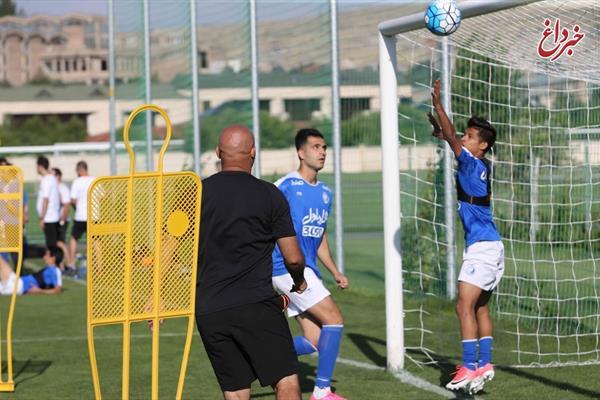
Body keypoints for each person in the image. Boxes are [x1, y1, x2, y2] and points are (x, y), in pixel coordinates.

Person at [196, 124, 307, 400]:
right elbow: (292, 257)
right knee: (287, 382)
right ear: (254, 152)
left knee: (235, 391)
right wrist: (299, 280)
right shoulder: (270, 195)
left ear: (218, 153)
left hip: (210, 310)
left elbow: (168, 249)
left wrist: (156, 300)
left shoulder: (195, 194)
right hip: (256, 304)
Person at [429, 79, 503, 394]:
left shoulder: (471, 161)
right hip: (492, 246)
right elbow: (449, 137)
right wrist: (441, 129)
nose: (464, 138)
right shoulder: (477, 163)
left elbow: (450, 137)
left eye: (469, 136)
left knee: (463, 306)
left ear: (482, 144)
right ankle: (484, 363)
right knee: (480, 308)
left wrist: (438, 106)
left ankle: (469, 367)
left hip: (482, 249)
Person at [271, 128, 349, 400]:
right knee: (335, 320)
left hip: (306, 271)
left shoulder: (325, 193)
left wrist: (335, 271)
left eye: (324, 147)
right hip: (287, 268)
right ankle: (322, 391)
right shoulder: (286, 185)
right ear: (301, 153)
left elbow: (320, 237)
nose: (322, 152)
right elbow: (263, 219)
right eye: (316, 147)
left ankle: (260, 353)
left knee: (315, 340)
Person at [68, 161, 94, 272]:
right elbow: (102, 196)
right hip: (94, 215)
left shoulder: (77, 182)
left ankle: (72, 262)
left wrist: (77, 207)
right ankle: (99, 266)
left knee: (74, 238)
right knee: (96, 241)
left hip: (80, 215)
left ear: (79, 170)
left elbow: (73, 199)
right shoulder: (95, 180)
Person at [36, 156, 61, 248]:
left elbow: (45, 200)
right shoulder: (52, 178)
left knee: (51, 245)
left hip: (49, 217)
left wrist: (42, 218)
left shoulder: (46, 180)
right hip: (53, 216)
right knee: (55, 243)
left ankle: (54, 262)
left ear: (40, 166)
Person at [52, 168, 73, 271]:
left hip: (62, 220)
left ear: (58, 176)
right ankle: (60, 264)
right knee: (56, 242)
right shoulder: (54, 187)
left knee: (60, 242)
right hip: (56, 219)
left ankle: (69, 263)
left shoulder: (63, 188)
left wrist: (62, 220)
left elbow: (66, 206)